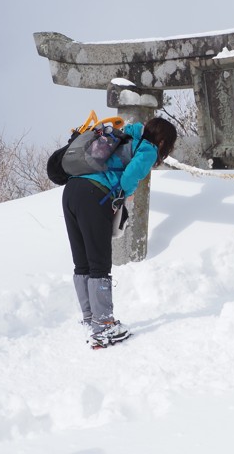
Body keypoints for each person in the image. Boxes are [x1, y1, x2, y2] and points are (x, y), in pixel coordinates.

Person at [62, 116, 177, 349]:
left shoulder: (125, 135)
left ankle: (90, 318)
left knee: (82, 261)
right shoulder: (148, 149)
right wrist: (126, 191)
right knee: (99, 262)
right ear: (163, 141)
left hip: (71, 191)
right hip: (95, 195)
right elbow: (128, 177)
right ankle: (103, 325)